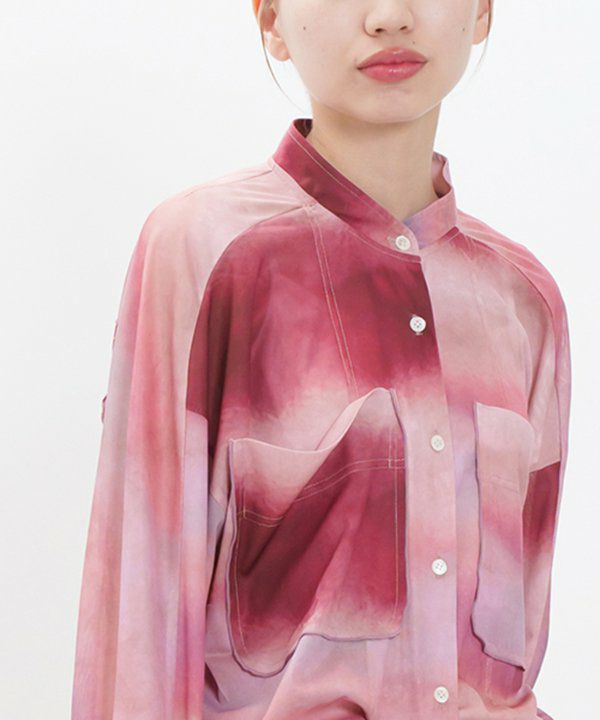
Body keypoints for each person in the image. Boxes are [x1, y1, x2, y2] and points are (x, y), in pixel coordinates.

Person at [70, 0, 572, 718]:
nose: (390, 16)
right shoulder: (205, 252)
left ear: (483, 12)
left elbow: (516, 652)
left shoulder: (523, 299)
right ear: (272, 19)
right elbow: (139, 611)